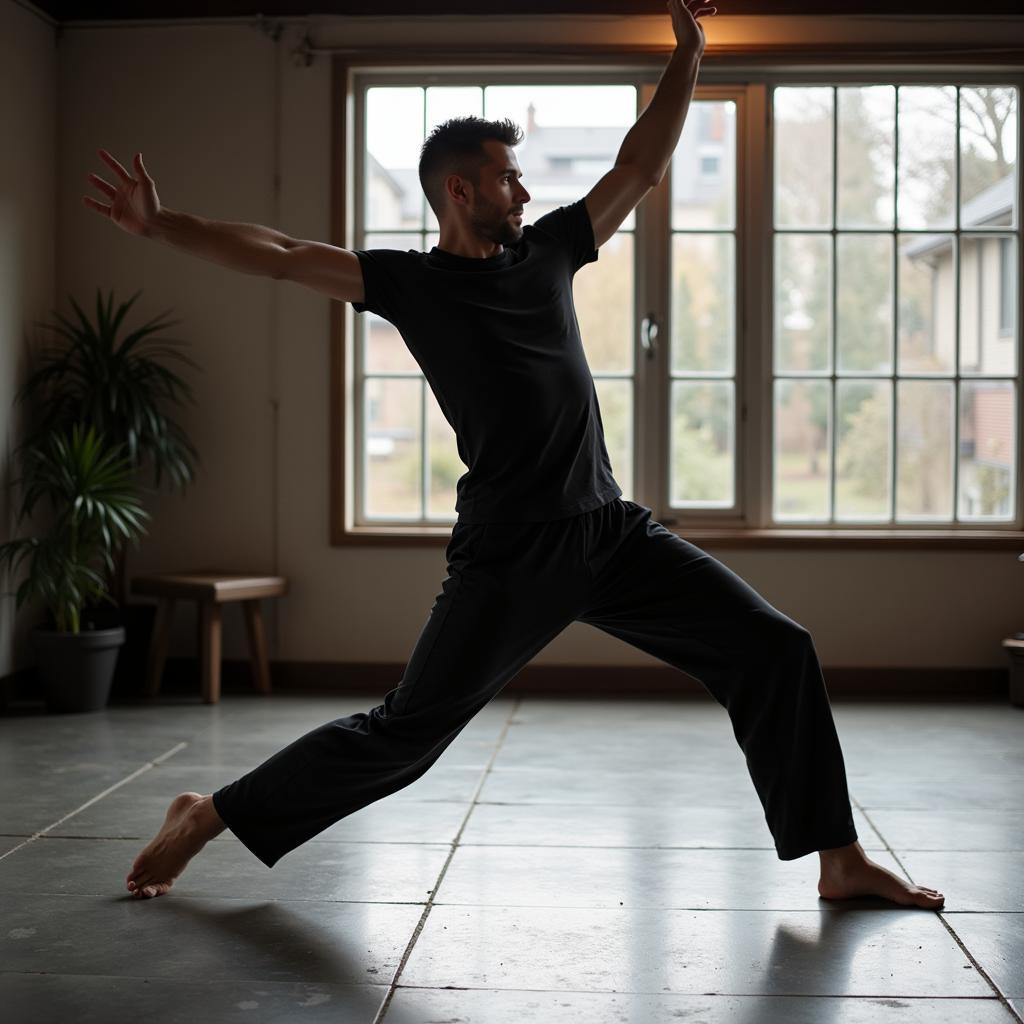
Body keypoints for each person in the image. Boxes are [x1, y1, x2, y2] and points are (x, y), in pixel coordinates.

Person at [84, 0, 944, 909]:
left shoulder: (552, 252)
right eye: (507, 178)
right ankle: (205, 814)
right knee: (403, 736)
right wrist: (162, 224)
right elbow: (287, 255)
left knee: (775, 649)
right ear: (461, 191)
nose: (525, 193)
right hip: (509, 552)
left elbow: (641, 166)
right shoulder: (409, 284)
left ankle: (838, 860)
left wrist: (689, 52)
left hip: (610, 533)